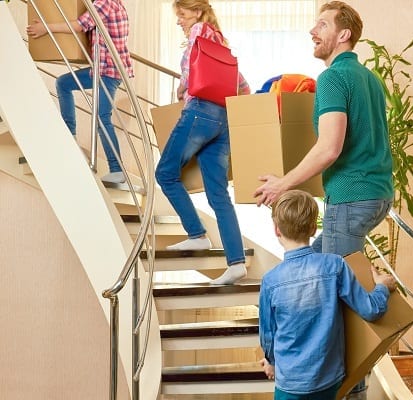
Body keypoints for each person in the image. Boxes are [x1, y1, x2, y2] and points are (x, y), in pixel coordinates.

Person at [254, 2, 394, 397]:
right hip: (376, 194)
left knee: (343, 305)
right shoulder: (367, 78)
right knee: (316, 267)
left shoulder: (333, 78)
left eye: (321, 24)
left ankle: (352, 391)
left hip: (351, 198)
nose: (312, 31)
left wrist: (283, 184)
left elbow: (329, 148)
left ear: (343, 34)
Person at [259, 189, 396, 400]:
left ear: (277, 230)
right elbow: (370, 310)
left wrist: (271, 362)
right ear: (314, 228)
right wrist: (382, 287)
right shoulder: (335, 266)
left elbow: (268, 336)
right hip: (327, 381)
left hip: (289, 384)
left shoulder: (271, 281)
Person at [155, 0, 250, 285]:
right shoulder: (220, 43)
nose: (179, 21)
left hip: (199, 114)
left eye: (182, 15)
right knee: (218, 194)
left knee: (165, 173)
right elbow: (242, 84)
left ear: (197, 12)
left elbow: (190, 75)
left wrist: (182, 87)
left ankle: (197, 234)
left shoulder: (199, 30)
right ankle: (236, 263)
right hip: (223, 119)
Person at [26, 0, 134, 184]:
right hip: (101, 70)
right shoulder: (113, 3)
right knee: (64, 83)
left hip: (109, 71)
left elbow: (78, 25)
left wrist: (46, 27)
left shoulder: (104, 2)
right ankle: (70, 135)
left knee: (102, 118)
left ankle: (117, 170)